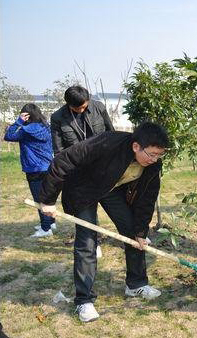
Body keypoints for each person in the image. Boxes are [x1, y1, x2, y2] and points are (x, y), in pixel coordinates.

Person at [39, 122, 169, 323]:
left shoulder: (153, 166)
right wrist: (47, 200)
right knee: (87, 241)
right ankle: (84, 300)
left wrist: (141, 231)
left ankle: (135, 284)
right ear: (136, 146)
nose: (154, 159)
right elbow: (64, 160)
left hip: (111, 189)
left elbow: (146, 199)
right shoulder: (107, 143)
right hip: (83, 189)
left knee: (132, 235)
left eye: (159, 155)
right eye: (151, 154)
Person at [50, 85, 115, 257]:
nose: (83, 109)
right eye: (79, 108)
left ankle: (137, 235)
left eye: (86, 105)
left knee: (117, 204)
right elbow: (59, 150)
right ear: (69, 105)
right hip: (79, 173)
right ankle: (93, 243)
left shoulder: (98, 107)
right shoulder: (57, 118)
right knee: (86, 211)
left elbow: (111, 133)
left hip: (103, 168)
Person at [4, 103, 56, 237]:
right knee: (48, 196)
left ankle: (46, 229)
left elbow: (8, 136)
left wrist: (19, 121)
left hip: (34, 169)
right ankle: (51, 222)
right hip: (48, 166)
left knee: (39, 199)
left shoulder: (25, 131)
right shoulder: (46, 127)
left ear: (26, 116)